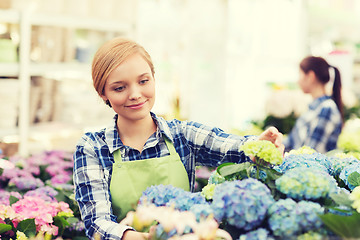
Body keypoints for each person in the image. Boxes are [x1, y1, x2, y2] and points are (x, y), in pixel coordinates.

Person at [73, 37, 284, 240]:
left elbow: (232, 147)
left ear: (154, 79)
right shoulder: (93, 147)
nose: (135, 94)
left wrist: (260, 145)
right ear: (102, 93)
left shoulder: (182, 135)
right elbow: (97, 222)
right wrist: (147, 238)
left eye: (143, 81)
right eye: (120, 88)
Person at [283, 56, 343, 153]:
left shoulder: (326, 108)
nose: (297, 81)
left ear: (310, 76)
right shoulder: (314, 107)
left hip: (308, 167)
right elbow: (290, 142)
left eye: (300, 74)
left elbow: (312, 153)